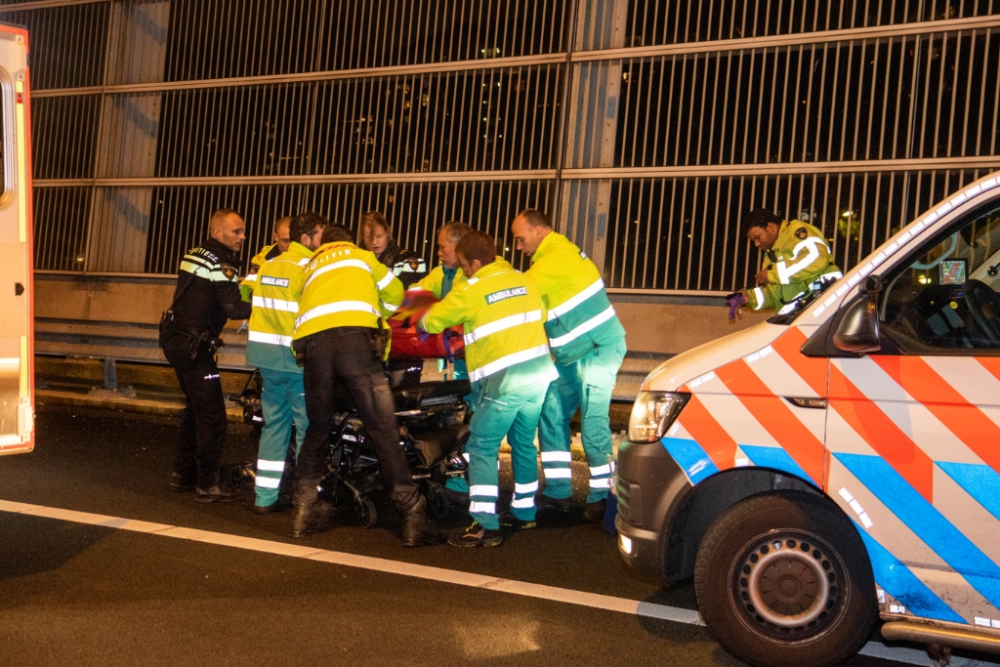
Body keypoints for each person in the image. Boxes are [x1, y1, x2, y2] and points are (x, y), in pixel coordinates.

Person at [289, 224, 445, 546]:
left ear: (323, 246)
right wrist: (377, 312)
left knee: (317, 429)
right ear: (348, 242)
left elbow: (298, 301)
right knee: (382, 428)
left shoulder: (307, 267)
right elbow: (397, 295)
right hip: (356, 346)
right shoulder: (362, 257)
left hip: (315, 349)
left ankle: (302, 512)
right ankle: (413, 513)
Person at [419, 231, 557, 547]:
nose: (464, 272)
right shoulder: (525, 281)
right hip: (537, 375)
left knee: (481, 445)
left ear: (477, 262)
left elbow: (432, 321)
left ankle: (485, 526)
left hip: (505, 381)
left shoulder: (471, 289)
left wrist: (422, 317)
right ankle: (525, 514)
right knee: (523, 442)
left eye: (466, 266)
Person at [511, 209, 627, 522]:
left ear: (538, 231)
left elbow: (522, 292)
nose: (518, 246)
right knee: (550, 411)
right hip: (570, 357)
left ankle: (604, 496)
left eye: (520, 238)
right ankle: (559, 492)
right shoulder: (547, 260)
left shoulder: (558, 257)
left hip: (598, 350)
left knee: (592, 422)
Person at [407, 221, 515, 500]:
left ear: (459, 247)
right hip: (466, 362)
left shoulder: (479, 276)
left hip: (487, 363)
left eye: (442, 246)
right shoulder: (444, 273)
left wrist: (423, 323)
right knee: (459, 418)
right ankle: (461, 476)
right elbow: (412, 299)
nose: (438, 252)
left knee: (478, 426)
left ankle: (474, 487)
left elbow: (444, 314)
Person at [160, 208, 253, 502]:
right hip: (196, 349)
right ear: (217, 233)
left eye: (242, 230)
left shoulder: (195, 254)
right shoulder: (223, 263)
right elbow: (235, 309)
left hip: (176, 341)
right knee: (213, 418)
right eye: (236, 231)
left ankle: (182, 475)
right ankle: (207, 484)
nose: (242, 236)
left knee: (194, 410)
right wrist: (262, 298)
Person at [244, 212, 327, 514]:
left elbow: (244, 291)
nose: (324, 241)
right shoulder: (309, 268)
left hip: (267, 360)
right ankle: (305, 498)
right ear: (306, 239)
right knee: (308, 428)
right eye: (320, 235)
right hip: (297, 362)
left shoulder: (267, 264)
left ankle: (264, 497)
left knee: (274, 427)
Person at [725, 209, 843, 319]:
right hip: (799, 317)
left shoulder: (795, 231)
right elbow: (777, 296)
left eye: (758, 237)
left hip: (823, 306)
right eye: (753, 241)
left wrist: (773, 273)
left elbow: (817, 257)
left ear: (770, 227)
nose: (756, 244)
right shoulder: (770, 256)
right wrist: (748, 298)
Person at [358, 210, 427, 288]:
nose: (374, 242)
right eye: (369, 237)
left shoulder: (409, 259)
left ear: (388, 232)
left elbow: (411, 295)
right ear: (363, 237)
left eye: (379, 236)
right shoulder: (355, 260)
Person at [240, 217, 292, 301]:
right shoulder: (263, 259)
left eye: (294, 241)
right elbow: (246, 289)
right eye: (285, 241)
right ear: (275, 237)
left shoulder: (307, 258)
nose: (290, 245)